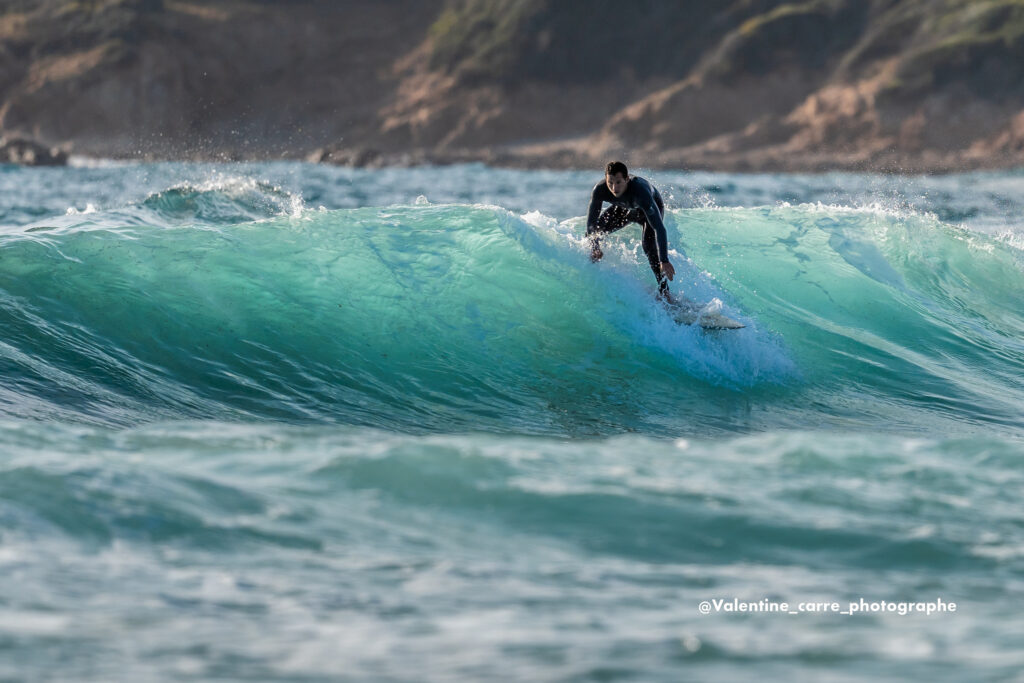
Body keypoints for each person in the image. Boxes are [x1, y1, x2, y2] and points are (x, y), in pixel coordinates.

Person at [586, 161, 676, 302]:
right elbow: (591, 222)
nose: (614, 188)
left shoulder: (641, 193)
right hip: (625, 209)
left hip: (647, 211)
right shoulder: (600, 190)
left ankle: (664, 291)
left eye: (618, 182)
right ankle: (593, 279)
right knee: (596, 232)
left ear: (627, 179)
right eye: (610, 183)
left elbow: (660, 228)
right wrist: (595, 246)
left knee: (649, 247)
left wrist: (664, 260)